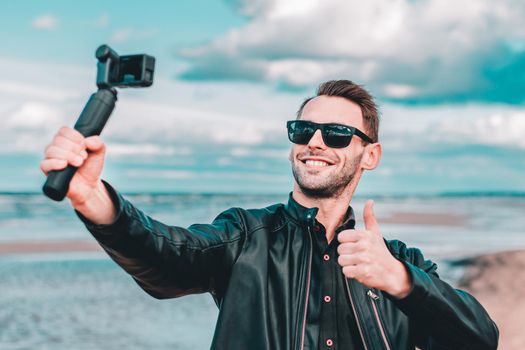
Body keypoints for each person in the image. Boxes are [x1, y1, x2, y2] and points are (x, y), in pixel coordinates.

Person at [40, 80, 498, 349]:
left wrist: (400, 280)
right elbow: (166, 258)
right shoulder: (245, 235)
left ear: (370, 155)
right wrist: (93, 198)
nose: (315, 142)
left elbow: (480, 338)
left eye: (337, 134)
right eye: (303, 130)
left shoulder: (400, 261)